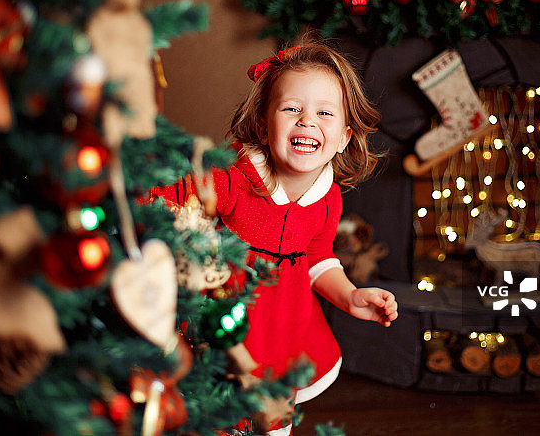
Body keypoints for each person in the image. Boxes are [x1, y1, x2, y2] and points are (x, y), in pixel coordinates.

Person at [151, 37, 398, 435]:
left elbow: (318, 258)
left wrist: (349, 295)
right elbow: (173, 195)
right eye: (292, 109)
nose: (307, 121)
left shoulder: (328, 199)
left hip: (283, 330)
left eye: (324, 113)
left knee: (273, 420)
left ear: (344, 137)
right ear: (263, 128)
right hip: (225, 324)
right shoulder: (233, 178)